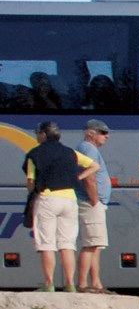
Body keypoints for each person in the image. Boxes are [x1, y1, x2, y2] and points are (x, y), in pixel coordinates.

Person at [21, 122, 101, 293]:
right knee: (67, 243)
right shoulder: (70, 152)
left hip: (48, 198)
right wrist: (78, 177)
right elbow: (95, 166)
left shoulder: (34, 154)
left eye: (38, 133)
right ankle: (70, 284)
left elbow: (30, 182)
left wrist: (32, 192)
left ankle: (49, 283)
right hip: (69, 200)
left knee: (47, 243)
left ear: (43, 135)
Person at [74, 120, 112, 292]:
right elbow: (89, 177)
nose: (107, 136)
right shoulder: (88, 148)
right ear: (90, 133)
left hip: (94, 203)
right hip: (90, 203)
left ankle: (96, 283)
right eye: (102, 132)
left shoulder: (89, 149)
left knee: (96, 244)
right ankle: (82, 284)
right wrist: (95, 200)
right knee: (90, 244)